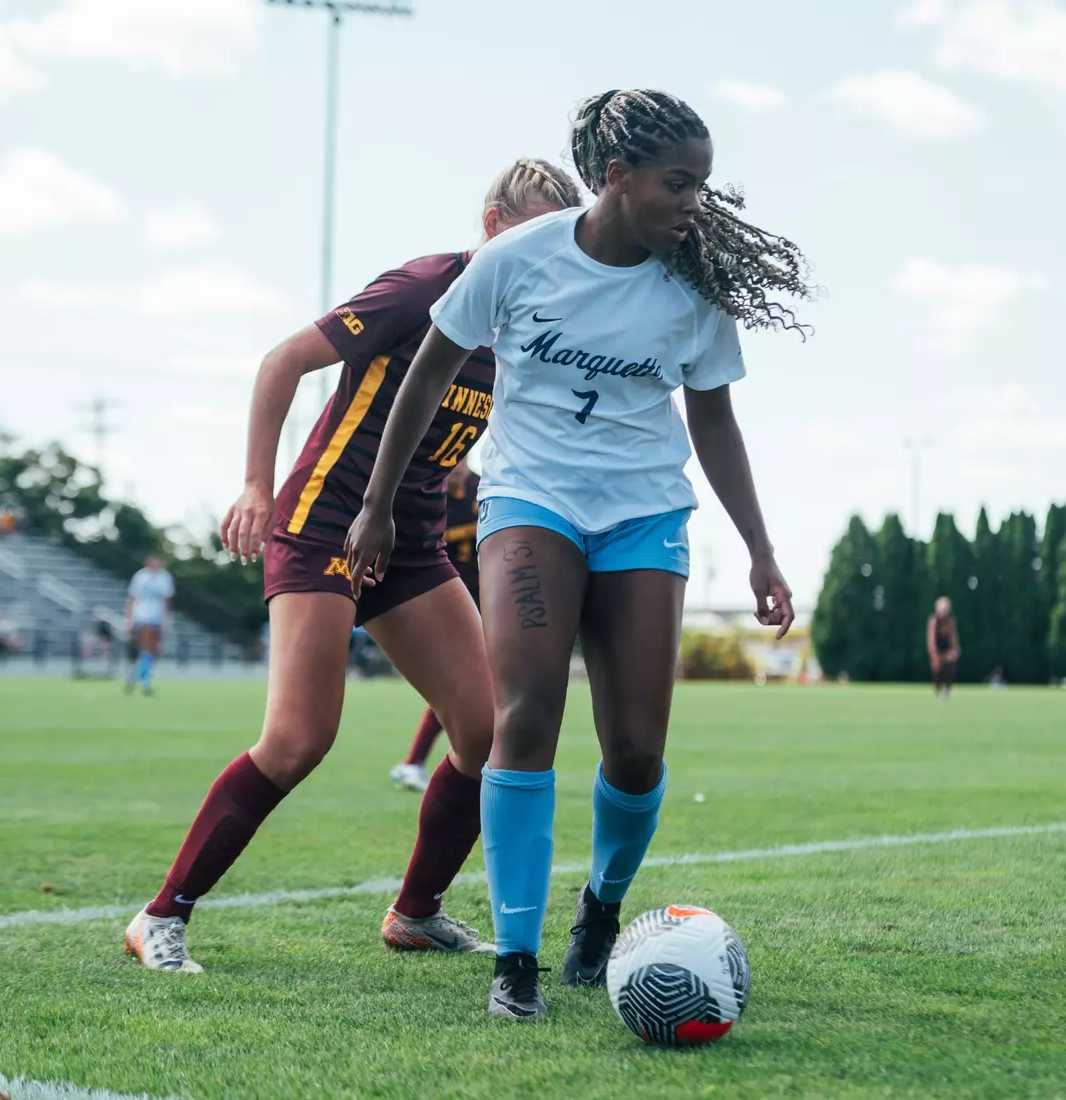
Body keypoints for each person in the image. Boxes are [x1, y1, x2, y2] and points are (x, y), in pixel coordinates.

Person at [344, 89, 805, 1021]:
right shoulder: (518, 259)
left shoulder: (695, 287)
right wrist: (380, 504)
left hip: (644, 516)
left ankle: (599, 910)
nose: (695, 203)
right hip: (532, 505)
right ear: (615, 177)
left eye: (704, 185)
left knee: (636, 750)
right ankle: (515, 959)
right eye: (679, 183)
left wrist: (761, 549)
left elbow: (712, 419)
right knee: (525, 716)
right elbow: (429, 369)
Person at [123, 158, 584, 975]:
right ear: (491, 227)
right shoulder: (423, 285)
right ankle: (161, 916)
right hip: (325, 522)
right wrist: (257, 485)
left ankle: (416, 912)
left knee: (489, 731)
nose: (548, 257)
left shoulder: (526, 328)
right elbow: (282, 361)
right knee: (300, 739)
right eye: (535, 234)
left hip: (411, 544)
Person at [389, 459, 481, 793]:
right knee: (460, 686)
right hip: (449, 605)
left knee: (476, 688)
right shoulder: (431, 495)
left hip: (488, 603)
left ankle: (416, 763)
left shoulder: (484, 490)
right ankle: (416, 763)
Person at [124, 555, 174, 696]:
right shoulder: (140, 576)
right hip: (142, 616)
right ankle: (145, 683)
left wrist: (166, 619)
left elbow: (167, 600)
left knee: (151, 651)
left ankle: (135, 676)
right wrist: (129, 619)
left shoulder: (164, 577)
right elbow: (132, 598)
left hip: (157, 617)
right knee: (146, 649)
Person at [926, 596, 960, 699]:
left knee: (951, 666)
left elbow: (953, 636)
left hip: (947, 648)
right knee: (936, 668)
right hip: (937, 649)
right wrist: (933, 653)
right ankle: (937, 690)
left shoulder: (950, 621)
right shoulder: (934, 620)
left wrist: (955, 650)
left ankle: (948, 690)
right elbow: (931, 638)